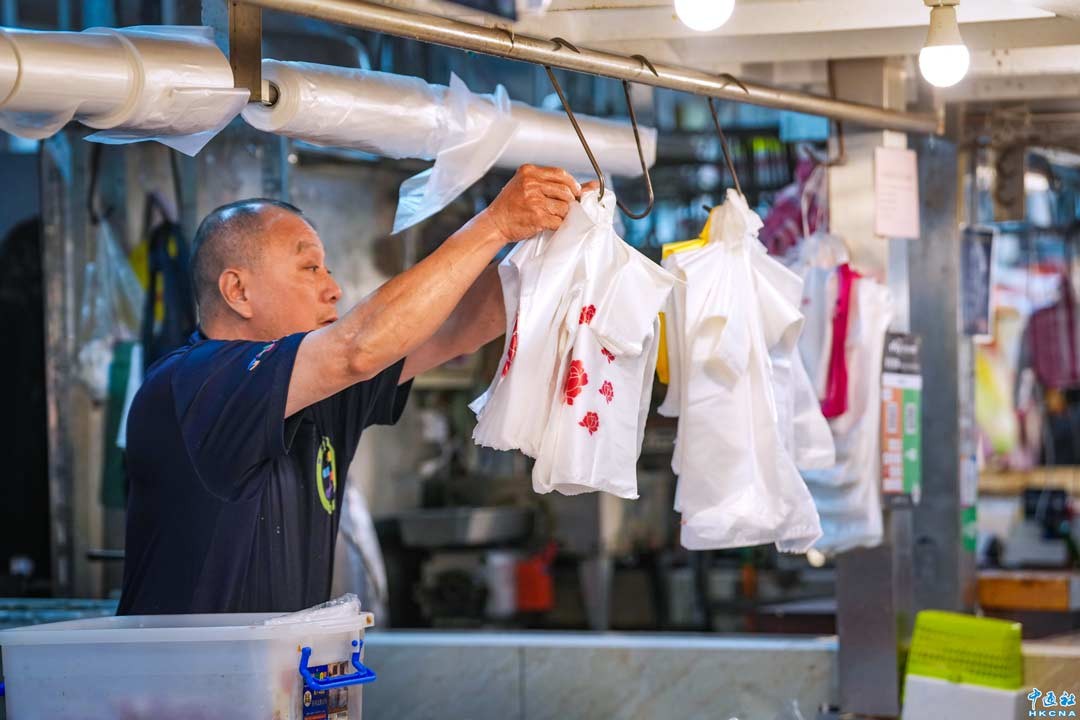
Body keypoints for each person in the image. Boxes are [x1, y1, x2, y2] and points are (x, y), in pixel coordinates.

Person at [117, 165, 587, 614]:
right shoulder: (194, 382)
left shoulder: (322, 390)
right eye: (310, 268)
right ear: (238, 291)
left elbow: (455, 327)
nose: (333, 289)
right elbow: (357, 347)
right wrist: (495, 225)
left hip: (279, 669)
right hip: (191, 673)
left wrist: (560, 251)